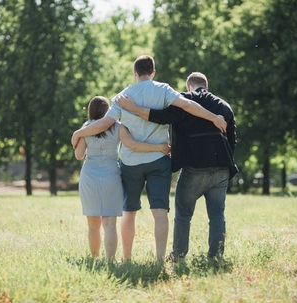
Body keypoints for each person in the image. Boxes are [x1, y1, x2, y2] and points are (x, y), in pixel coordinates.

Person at [71, 55, 227, 262]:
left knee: (129, 212)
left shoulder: (122, 96)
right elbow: (188, 105)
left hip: (130, 163)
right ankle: (160, 260)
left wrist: (78, 133)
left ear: (135, 73)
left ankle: (126, 259)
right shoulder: (163, 90)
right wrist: (213, 117)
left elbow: (103, 124)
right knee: (160, 212)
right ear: (153, 72)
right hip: (159, 158)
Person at [116, 72, 238, 263]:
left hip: (194, 167)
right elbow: (232, 141)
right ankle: (215, 257)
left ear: (188, 86)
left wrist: (132, 108)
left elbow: (160, 117)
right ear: (207, 85)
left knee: (183, 214)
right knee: (217, 215)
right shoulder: (224, 106)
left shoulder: (184, 102)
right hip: (221, 167)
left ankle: (179, 256)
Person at [74, 96, 171, 261]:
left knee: (93, 225)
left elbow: (78, 155)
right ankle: (111, 261)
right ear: (107, 111)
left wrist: (76, 138)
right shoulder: (118, 127)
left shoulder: (85, 129)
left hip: (89, 177)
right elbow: (133, 145)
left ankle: (95, 258)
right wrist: (159, 148)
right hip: (111, 176)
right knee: (109, 224)